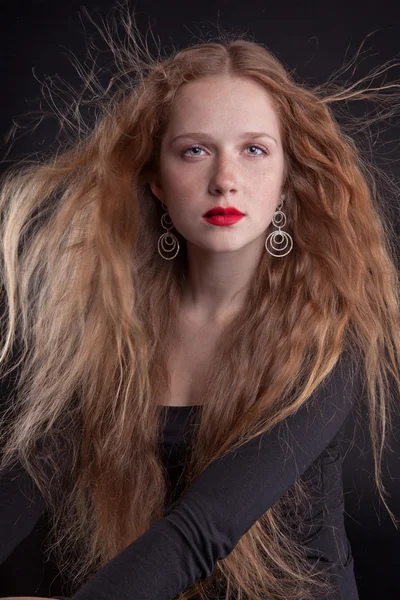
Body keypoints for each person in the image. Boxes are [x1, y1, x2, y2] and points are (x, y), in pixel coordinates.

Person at [0, 9, 400, 600]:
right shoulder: (111, 328)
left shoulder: (323, 338)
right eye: (194, 151)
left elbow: (198, 533)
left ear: (288, 176)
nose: (225, 180)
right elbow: (25, 485)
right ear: (157, 179)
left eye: (255, 151)